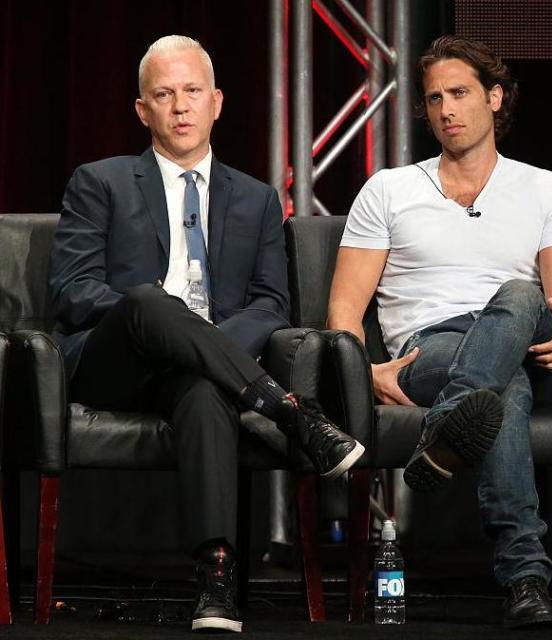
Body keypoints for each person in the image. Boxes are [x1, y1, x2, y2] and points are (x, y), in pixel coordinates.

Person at [48, 35, 364, 633]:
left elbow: (272, 304)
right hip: (115, 361)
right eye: (164, 95)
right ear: (143, 111)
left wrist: (202, 345)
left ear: (217, 102)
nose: (180, 107)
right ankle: (293, 413)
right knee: (149, 301)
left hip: (209, 371)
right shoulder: (101, 182)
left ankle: (215, 579)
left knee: (201, 386)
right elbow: (73, 291)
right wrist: (169, 323)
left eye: (192, 92)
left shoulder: (257, 199)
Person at [327, 35, 552, 629]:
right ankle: (525, 577)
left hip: (529, 338)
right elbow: (345, 308)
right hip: (431, 348)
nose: (446, 110)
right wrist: (362, 369)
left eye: (460, 93)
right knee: (501, 392)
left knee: (521, 294)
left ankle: (445, 428)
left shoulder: (545, 187)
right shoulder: (389, 189)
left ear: (495, 98)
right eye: (434, 98)